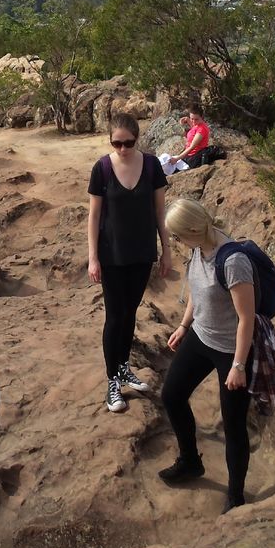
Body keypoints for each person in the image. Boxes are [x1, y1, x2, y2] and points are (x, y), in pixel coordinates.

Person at [159, 196, 255, 513]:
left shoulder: (233, 261)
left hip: (232, 349)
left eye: (176, 235)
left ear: (192, 229)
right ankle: (190, 461)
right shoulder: (199, 247)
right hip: (201, 336)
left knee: (233, 425)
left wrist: (239, 366)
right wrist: (184, 326)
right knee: (172, 395)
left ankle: (236, 495)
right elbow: (198, 290)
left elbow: (246, 319)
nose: (174, 241)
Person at [87, 113, 172, 414]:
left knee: (130, 313)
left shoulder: (151, 166)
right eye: (117, 143)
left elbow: (160, 213)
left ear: (138, 139)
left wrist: (167, 250)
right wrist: (93, 256)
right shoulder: (102, 168)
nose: (123, 149)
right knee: (114, 316)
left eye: (129, 143)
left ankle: (123, 367)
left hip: (141, 252)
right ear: (110, 140)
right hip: (112, 255)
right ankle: (113, 381)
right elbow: (94, 216)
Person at [169, 105, 211, 170]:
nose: (193, 121)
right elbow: (194, 130)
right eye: (192, 118)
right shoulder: (197, 125)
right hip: (188, 155)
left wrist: (177, 159)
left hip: (193, 157)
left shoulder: (202, 129)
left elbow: (192, 147)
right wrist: (189, 121)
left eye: (196, 119)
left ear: (202, 117)